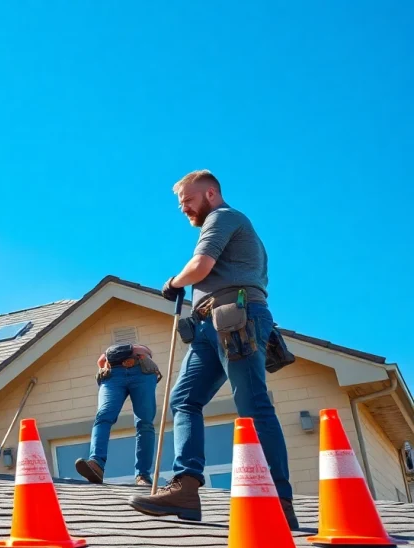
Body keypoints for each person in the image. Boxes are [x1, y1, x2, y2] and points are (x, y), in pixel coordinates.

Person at [128, 169, 298, 529]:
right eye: (180, 203)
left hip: (237, 319)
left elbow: (200, 265)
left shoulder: (224, 217)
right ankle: (186, 488)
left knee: (252, 403)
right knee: (183, 400)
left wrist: (174, 282)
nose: (183, 208)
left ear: (210, 194)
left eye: (188, 200)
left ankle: (279, 501)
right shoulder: (223, 221)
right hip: (211, 324)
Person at [75, 343, 160, 487]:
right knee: (103, 415)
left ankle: (143, 475)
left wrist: (138, 355)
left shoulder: (140, 350)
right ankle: (96, 464)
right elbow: (100, 361)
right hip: (112, 374)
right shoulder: (108, 357)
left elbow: (146, 352)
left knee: (144, 422)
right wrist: (105, 364)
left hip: (142, 370)